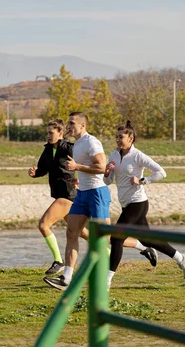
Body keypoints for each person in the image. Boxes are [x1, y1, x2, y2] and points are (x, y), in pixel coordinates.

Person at [104, 121, 185, 290]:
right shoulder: (113, 155)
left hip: (138, 203)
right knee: (147, 239)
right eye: (116, 137)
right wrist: (107, 173)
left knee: (116, 238)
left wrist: (143, 181)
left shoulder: (138, 156)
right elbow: (107, 181)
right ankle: (181, 258)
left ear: (131, 138)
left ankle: (106, 281)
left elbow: (161, 172)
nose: (117, 140)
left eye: (121, 137)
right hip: (125, 203)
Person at [42, 112, 112, 291]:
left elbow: (101, 167)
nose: (69, 126)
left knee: (102, 237)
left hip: (97, 193)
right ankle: (66, 278)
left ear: (83, 126)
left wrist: (77, 167)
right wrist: (77, 177)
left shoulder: (91, 142)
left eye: (72, 123)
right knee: (72, 232)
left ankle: (107, 275)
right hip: (82, 193)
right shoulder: (78, 144)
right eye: (68, 123)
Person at [29, 119, 85, 275]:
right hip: (59, 195)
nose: (48, 135)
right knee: (82, 232)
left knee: (43, 225)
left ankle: (58, 261)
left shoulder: (70, 148)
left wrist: (80, 178)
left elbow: (83, 164)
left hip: (68, 195)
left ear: (60, 133)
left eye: (51, 133)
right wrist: (35, 173)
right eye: (47, 132)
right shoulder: (47, 150)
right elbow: (42, 169)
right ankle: (107, 254)